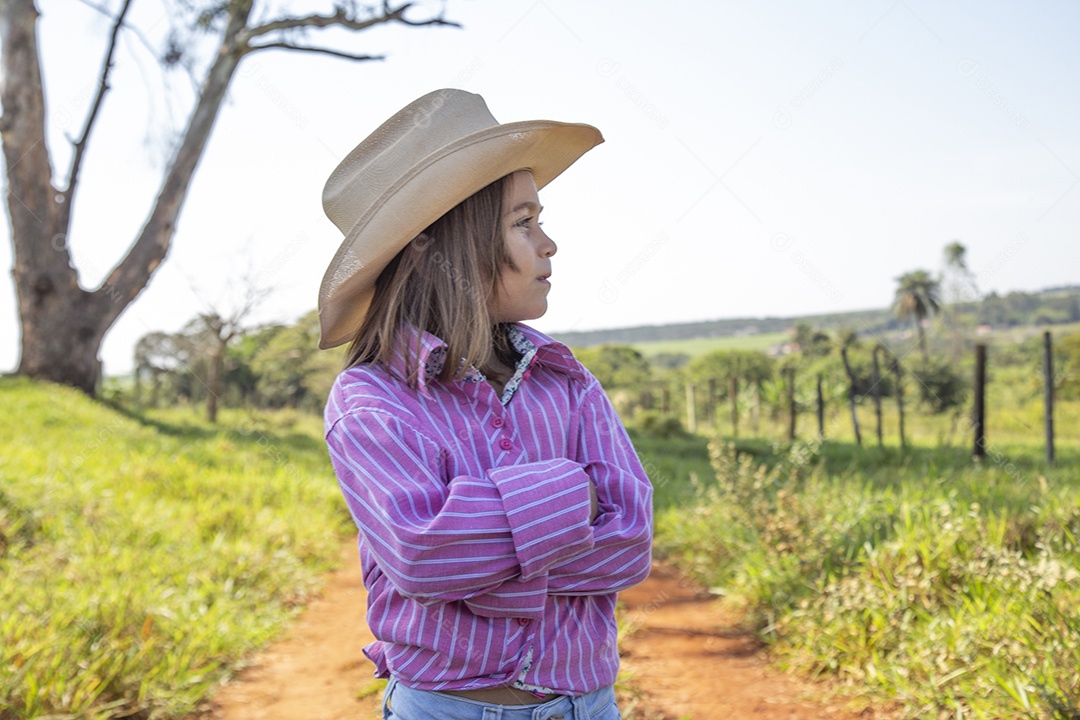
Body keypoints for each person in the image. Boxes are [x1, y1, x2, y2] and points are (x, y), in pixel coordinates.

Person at [319, 89, 653, 720]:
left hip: (588, 705)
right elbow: (425, 556)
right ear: (433, 245)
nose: (548, 243)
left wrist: (482, 568)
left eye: (540, 219)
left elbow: (631, 539)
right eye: (523, 223)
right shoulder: (371, 402)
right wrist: (571, 498)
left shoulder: (569, 382)